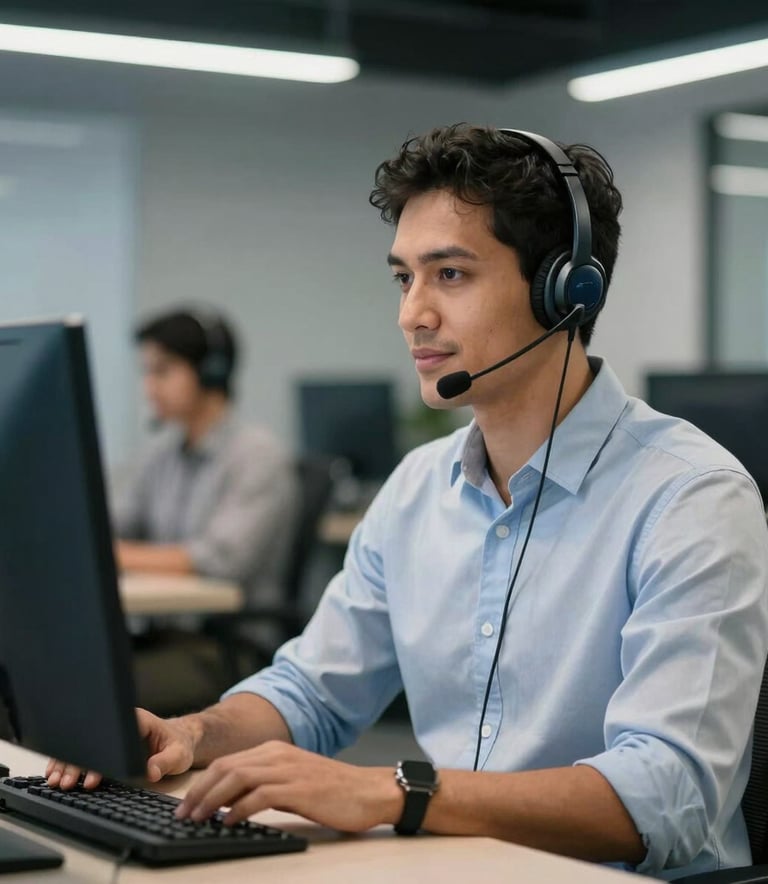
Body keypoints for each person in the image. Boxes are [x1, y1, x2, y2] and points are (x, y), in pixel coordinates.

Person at [50, 127, 768, 879]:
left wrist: (397, 793)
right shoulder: (418, 489)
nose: (411, 314)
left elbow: (667, 798)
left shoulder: (688, 497)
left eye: (450, 275)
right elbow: (312, 691)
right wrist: (192, 733)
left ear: (566, 289)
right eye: (404, 279)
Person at [111, 307, 297, 610]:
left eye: (163, 371)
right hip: (165, 630)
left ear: (211, 371)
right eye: (146, 372)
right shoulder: (162, 455)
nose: (149, 387)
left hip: (225, 641)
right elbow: (121, 520)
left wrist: (115, 556)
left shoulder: (257, 456)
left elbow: (220, 560)